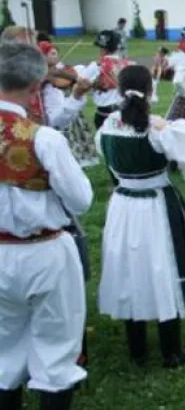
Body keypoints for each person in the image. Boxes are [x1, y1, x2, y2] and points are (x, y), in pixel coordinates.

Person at [96, 65, 185, 368]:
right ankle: (171, 351)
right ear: (151, 90)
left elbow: (109, 162)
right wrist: (167, 129)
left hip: (123, 206)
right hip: (157, 205)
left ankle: (137, 350)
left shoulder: (107, 125)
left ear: (120, 91)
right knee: (163, 268)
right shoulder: (159, 128)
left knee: (128, 270)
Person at [0, 42, 93, 410]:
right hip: (44, 251)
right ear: (37, 84)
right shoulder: (43, 138)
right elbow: (81, 200)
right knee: (55, 351)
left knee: (4, 350)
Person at [37, 41, 99, 167]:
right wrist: (75, 79)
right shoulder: (43, 74)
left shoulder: (64, 69)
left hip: (68, 114)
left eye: (55, 53)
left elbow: (63, 73)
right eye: (50, 53)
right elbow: (55, 74)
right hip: (56, 115)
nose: (54, 56)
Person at [83, 30, 130, 129]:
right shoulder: (126, 64)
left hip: (104, 114)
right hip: (123, 112)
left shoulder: (96, 66)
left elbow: (81, 81)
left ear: (103, 49)